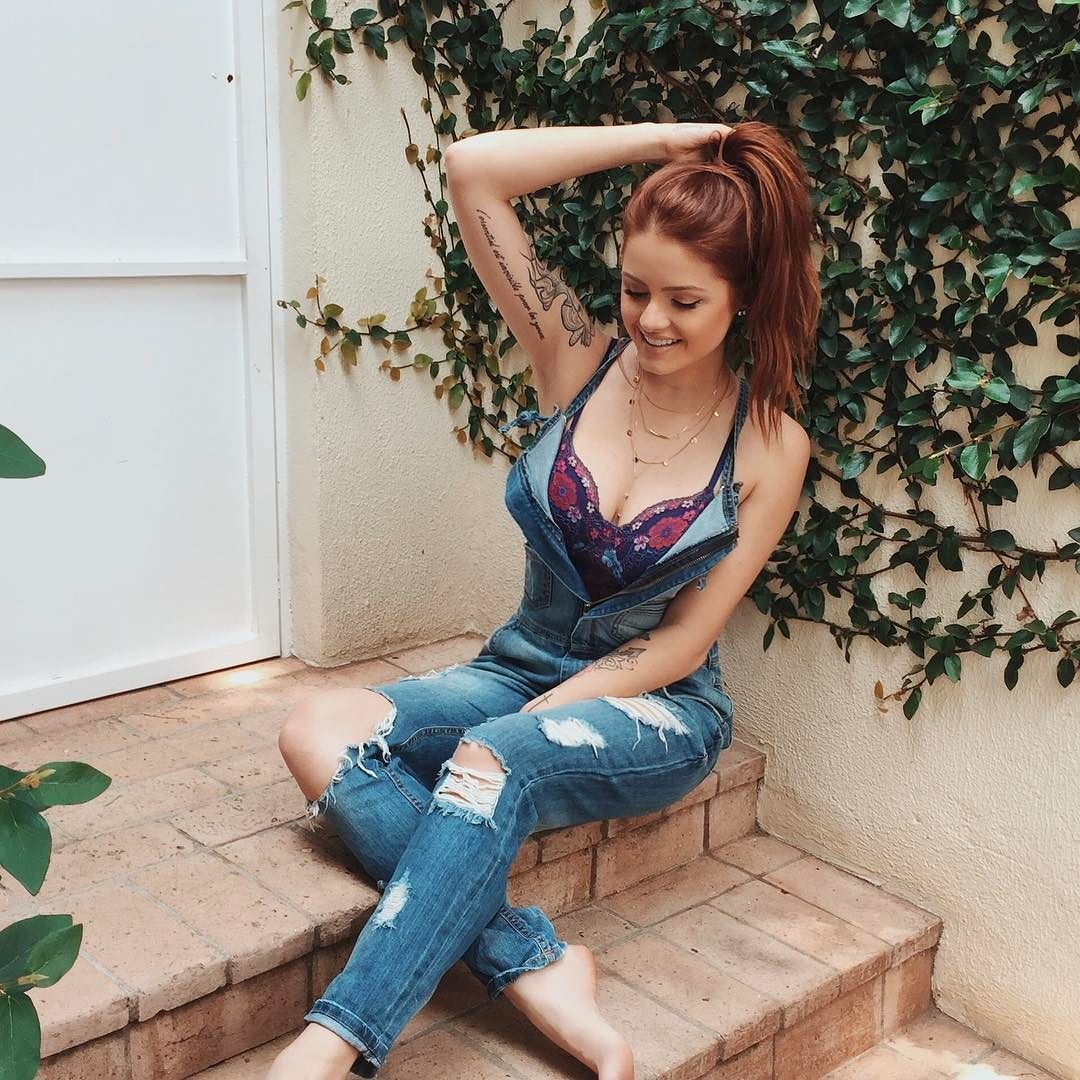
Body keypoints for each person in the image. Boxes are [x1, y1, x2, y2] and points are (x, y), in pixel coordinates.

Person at [270, 119, 819, 1080]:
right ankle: (534, 965)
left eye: (685, 300)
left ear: (745, 295)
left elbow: (685, 641)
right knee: (315, 731)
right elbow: (471, 169)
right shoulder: (577, 360)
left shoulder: (771, 445)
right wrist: (675, 141)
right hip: (517, 664)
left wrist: (536, 720)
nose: (651, 320)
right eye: (635, 289)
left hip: (658, 706)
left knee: (495, 758)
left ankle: (329, 1047)